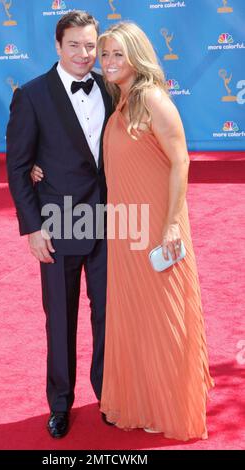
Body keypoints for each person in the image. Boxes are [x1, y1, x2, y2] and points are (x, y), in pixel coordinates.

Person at [96, 22, 214, 441]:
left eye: (117, 55)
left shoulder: (151, 98)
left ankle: (169, 406)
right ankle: (144, 399)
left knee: (164, 318)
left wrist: (169, 226)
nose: (108, 62)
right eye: (104, 55)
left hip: (158, 229)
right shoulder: (121, 98)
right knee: (136, 319)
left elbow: (180, 161)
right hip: (126, 229)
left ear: (136, 56)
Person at [6, 10, 113, 439]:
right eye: (75, 45)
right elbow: (17, 167)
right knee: (61, 319)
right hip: (58, 224)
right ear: (57, 46)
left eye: (91, 46)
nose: (84, 54)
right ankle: (60, 403)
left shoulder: (110, 88)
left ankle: (110, 394)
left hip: (109, 222)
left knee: (109, 315)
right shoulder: (31, 95)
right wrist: (32, 228)